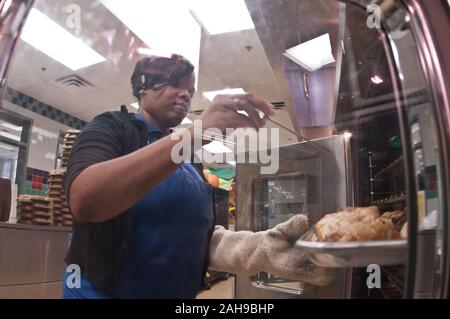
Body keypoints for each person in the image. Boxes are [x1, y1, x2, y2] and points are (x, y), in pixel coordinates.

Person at [62, 54, 334, 299]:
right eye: (175, 84)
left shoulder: (189, 159)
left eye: (190, 90)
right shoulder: (113, 127)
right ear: (144, 85)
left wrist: (258, 249)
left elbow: (194, 235)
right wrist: (195, 133)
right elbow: (86, 201)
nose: (185, 95)